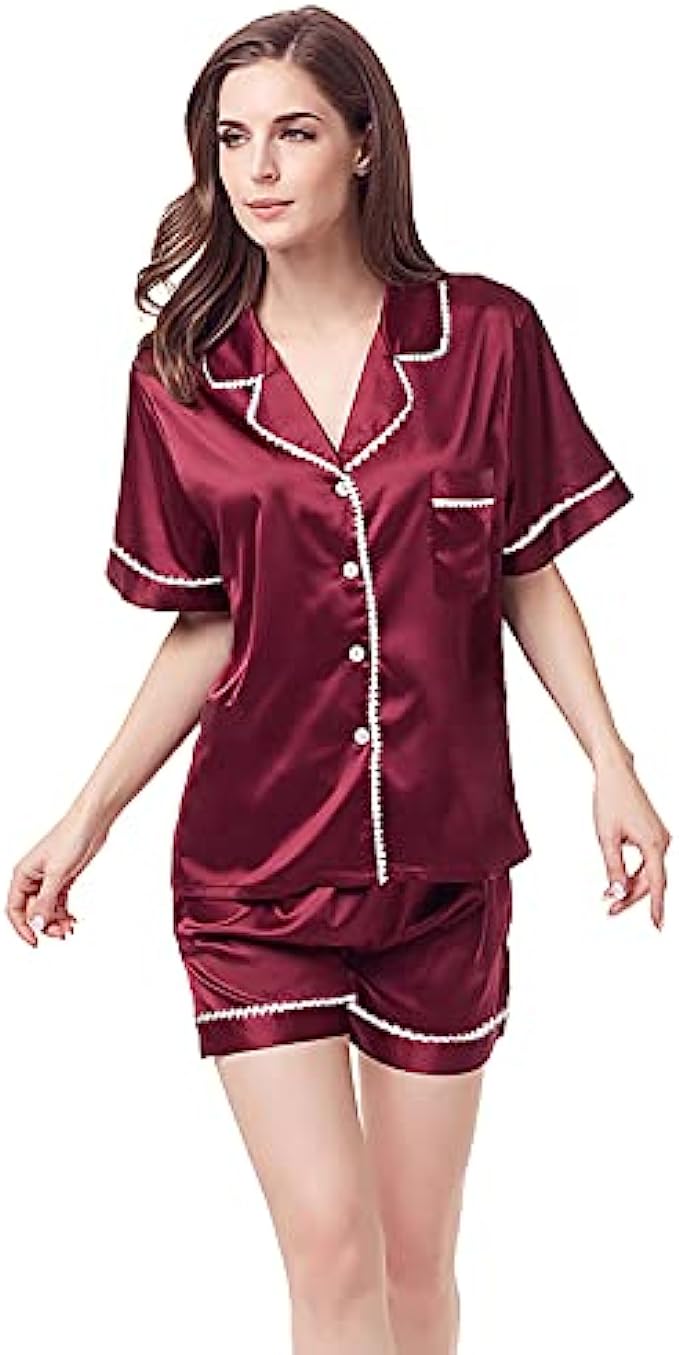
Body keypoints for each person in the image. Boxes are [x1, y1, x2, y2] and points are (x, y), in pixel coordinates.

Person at [6, 7, 671, 1354]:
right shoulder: (183, 377)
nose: (258, 168)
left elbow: (526, 571)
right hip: (253, 874)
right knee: (330, 1246)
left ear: (364, 146)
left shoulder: (485, 337)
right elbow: (206, 625)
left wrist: (614, 765)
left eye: (295, 133)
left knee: (417, 1267)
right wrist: (84, 820)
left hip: (445, 866)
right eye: (231, 139)